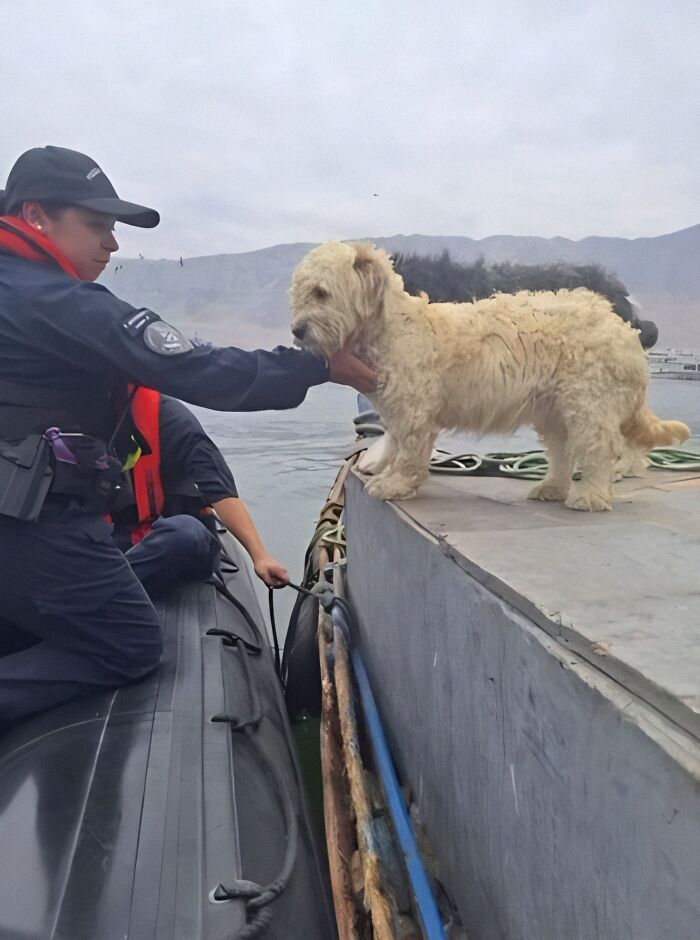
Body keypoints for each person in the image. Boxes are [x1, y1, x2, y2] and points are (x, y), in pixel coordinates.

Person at [0, 145, 376, 725]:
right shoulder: (53, 301)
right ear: (34, 216)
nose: (113, 244)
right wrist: (317, 365)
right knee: (128, 641)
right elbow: (192, 367)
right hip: (31, 526)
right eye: (97, 225)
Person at [112, 392, 290, 595]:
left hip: (168, 539)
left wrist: (260, 556)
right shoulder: (77, 419)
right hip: (112, 540)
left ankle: (101, 589)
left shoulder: (170, 417)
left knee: (188, 533)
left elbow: (220, 490)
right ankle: (105, 588)